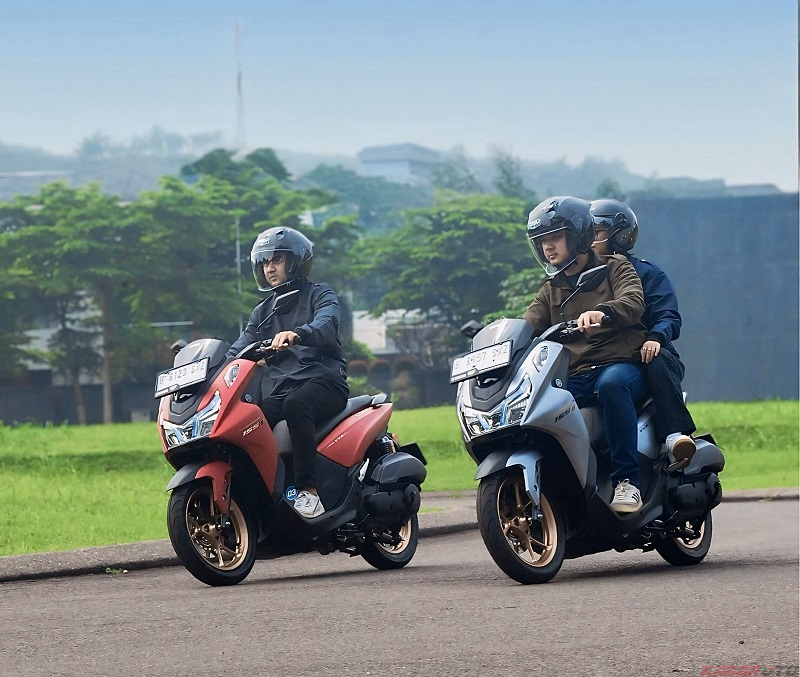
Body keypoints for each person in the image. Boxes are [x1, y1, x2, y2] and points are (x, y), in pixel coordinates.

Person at [523, 196, 648, 513]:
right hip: (576, 374)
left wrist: (603, 312)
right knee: (542, 407)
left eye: (554, 238)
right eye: (542, 242)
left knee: (611, 385)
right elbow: (528, 324)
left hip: (620, 365)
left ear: (579, 234)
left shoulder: (614, 267)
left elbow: (633, 302)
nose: (548, 248)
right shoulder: (552, 287)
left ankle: (626, 483)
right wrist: (498, 337)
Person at [227, 226, 349, 518]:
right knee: (248, 420)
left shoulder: (319, 295)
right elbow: (239, 346)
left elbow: (327, 323)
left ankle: (309, 491)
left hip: (325, 381)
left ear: (295, 262)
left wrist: (299, 333)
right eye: (265, 262)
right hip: (284, 389)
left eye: (277, 260)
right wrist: (213, 364)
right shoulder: (263, 311)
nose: (270, 268)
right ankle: (258, 495)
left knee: (298, 405)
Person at [589, 199, 696, 462]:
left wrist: (655, 337)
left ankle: (675, 434)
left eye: (597, 233)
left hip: (646, 355)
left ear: (620, 235)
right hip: (601, 359)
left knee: (655, 357)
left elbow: (668, 315)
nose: (590, 240)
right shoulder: (584, 277)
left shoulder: (646, 273)